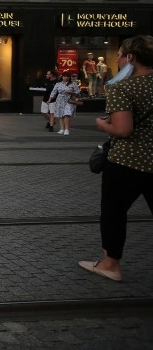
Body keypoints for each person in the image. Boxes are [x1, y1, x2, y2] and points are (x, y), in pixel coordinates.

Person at [80, 35, 153, 282]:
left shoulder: (122, 87)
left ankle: (111, 265)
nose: (118, 59)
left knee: (113, 212)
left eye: (120, 54)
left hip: (127, 162)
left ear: (130, 57)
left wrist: (101, 124)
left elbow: (123, 130)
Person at [49, 71, 80, 135]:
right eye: (64, 76)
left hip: (69, 100)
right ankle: (62, 129)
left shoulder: (73, 84)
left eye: (68, 76)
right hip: (60, 100)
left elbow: (78, 93)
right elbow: (53, 92)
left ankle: (67, 129)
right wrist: (50, 99)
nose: (66, 78)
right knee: (61, 115)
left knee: (66, 114)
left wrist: (71, 93)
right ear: (62, 77)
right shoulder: (58, 84)